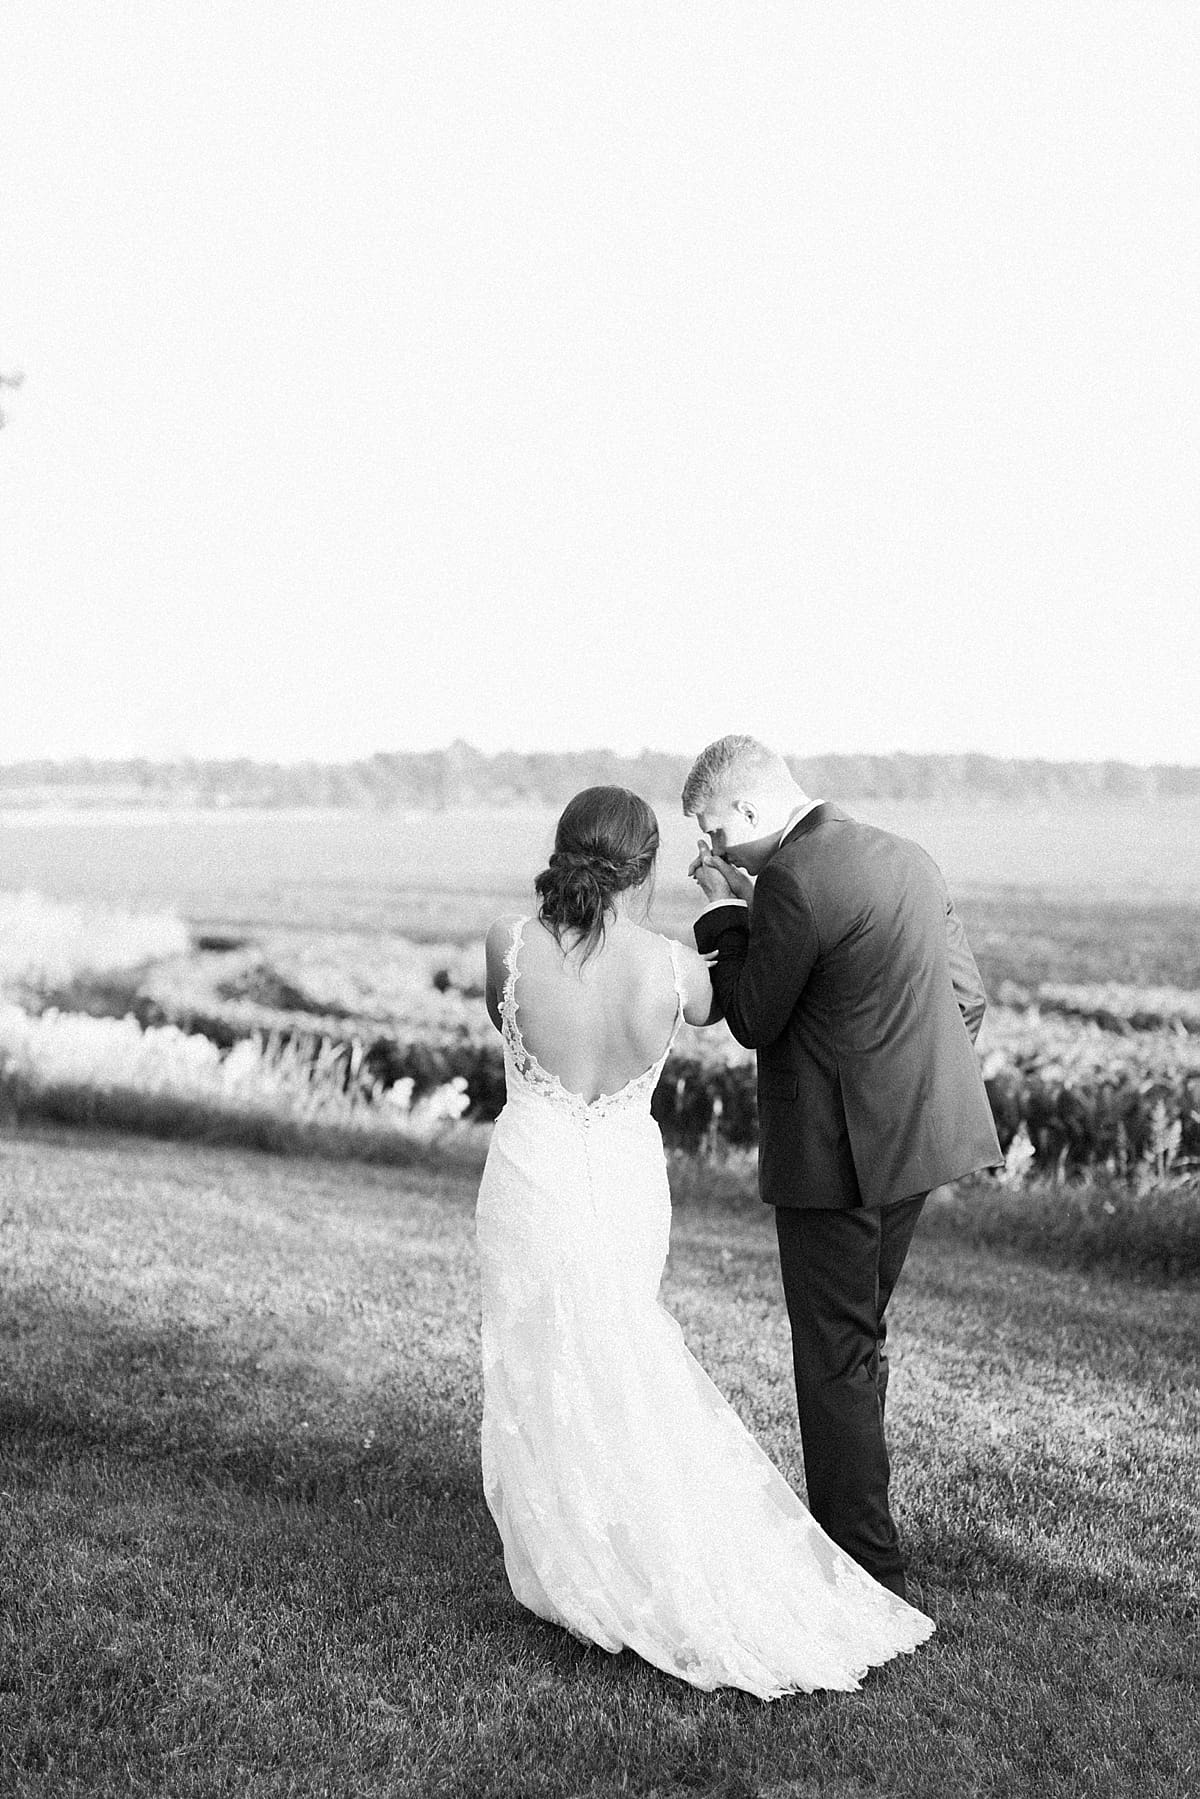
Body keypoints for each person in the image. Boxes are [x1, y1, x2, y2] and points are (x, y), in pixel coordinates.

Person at [475, 784, 933, 1699]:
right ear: (645, 868)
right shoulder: (676, 970)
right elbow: (736, 1001)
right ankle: (632, 1541)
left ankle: (576, 1551)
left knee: (539, 1349)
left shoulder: (508, 942)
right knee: (621, 1344)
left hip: (532, 1172)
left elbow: (507, 1022)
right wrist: (729, 899)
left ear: (564, 851)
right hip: (623, 1177)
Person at [685, 736, 1002, 1600]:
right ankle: (864, 1543)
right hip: (918, 1143)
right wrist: (898, 1088)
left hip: (838, 1156)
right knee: (859, 1340)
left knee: (834, 1354)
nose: (713, 854)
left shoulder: (790, 878)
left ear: (749, 811)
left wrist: (724, 910)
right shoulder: (906, 855)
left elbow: (751, 1012)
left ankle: (864, 1572)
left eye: (715, 835)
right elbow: (965, 997)